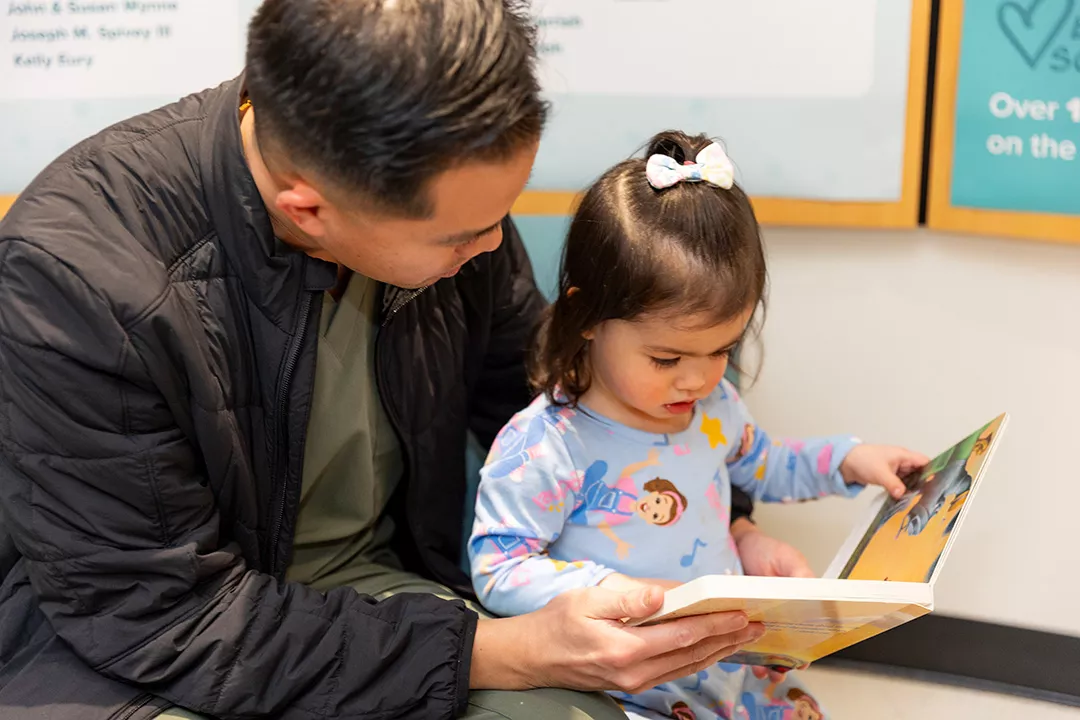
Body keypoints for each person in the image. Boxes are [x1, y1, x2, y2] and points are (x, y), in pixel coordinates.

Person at [0, 3, 813, 719]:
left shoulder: (449, 210)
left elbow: (557, 400)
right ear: (308, 210)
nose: (494, 247)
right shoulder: (79, 282)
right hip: (138, 651)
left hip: (384, 595)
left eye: (502, 215)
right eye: (462, 236)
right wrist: (504, 652)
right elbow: (162, 616)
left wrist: (724, 525)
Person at [468, 131, 930, 719]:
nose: (698, 380)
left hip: (727, 669)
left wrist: (849, 461)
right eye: (667, 359)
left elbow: (766, 463)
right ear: (586, 316)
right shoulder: (547, 444)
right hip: (624, 686)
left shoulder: (713, 410)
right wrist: (611, 590)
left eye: (721, 351)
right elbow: (499, 564)